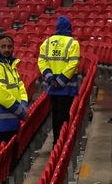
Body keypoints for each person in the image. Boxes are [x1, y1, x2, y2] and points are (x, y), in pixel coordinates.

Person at [37, 15, 81, 143]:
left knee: (56, 115)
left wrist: (50, 79)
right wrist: (61, 81)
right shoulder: (73, 43)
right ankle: (63, 143)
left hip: (53, 87)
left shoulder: (47, 42)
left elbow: (42, 61)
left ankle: (56, 142)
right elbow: (73, 63)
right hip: (67, 87)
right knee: (65, 116)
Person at [0, 33, 28, 148]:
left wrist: (24, 105)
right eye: (3, 47)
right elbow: (2, 96)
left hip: (12, 123)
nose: (6, 49)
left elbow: (21, 87)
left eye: (9, 46)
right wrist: (21, 112)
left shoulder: (11, 67)